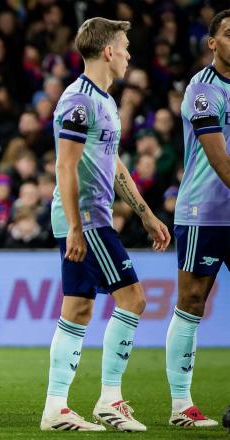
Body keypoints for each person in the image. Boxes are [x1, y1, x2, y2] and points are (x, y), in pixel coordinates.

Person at [40, 18, 170, 432]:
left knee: (77, 308)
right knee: (133, 299)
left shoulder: (105, 100)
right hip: (88, 220)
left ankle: (56, 407)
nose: (130, 53)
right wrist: (77, 226)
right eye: (126, 46)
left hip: (91, 217)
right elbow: (65, 164)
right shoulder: (78, 100)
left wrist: (145, 212)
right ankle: (110, 399)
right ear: (109, 51)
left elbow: (112, 163)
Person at [166, 9, 230, 429]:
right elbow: (218, 156)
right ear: (213, 43)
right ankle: (180, 406)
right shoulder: (202, 89)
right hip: (203, 211)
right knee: (192, 302)